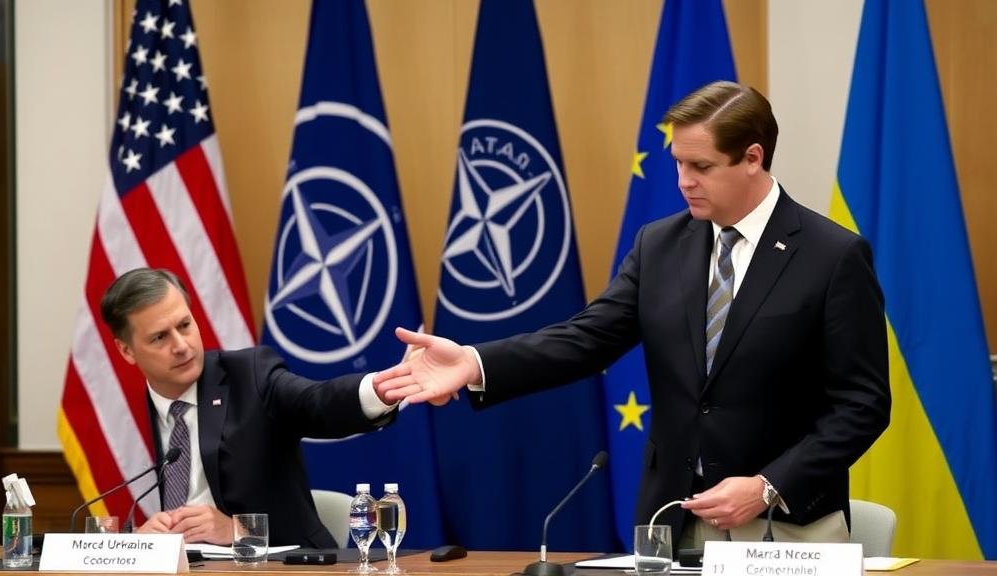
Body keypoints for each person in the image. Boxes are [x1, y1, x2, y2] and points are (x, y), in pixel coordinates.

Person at [375, 81, 891, 548]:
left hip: (785, 524)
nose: (684, 181)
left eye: (702, 167)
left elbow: (863, 404)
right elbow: (585, 339)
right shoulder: (659, 245)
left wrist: (767, 485)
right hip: (674, 520)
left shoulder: (831, 256)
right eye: (678, 164)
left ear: (753, 157)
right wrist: (474, 362)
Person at [100, 267, 398, 547]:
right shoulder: (124, 416)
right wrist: (138, 540)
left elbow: (315, 402)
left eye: (184, 325)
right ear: (127, 350)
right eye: (160, 337)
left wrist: (382, 389)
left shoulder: (249, 376)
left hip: (281, 566)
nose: (181, 345)